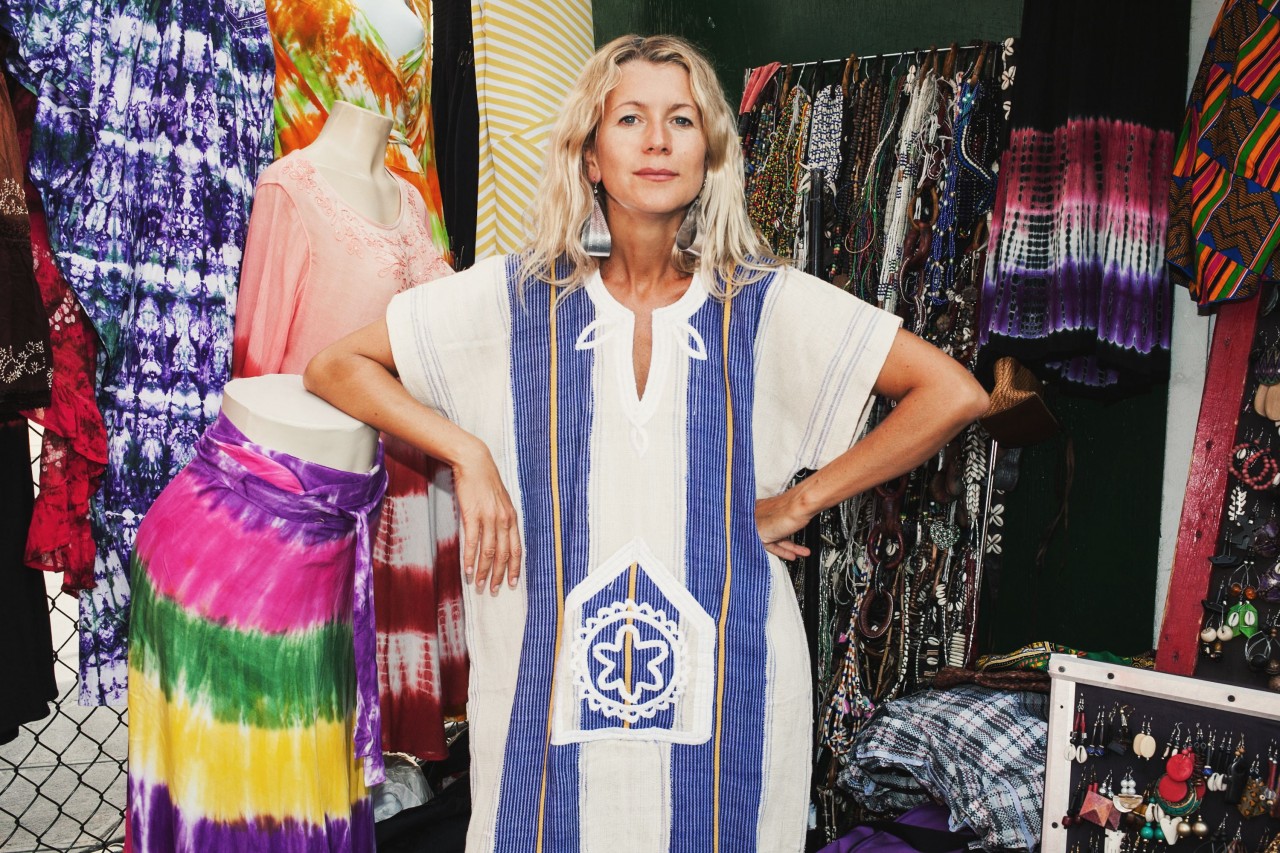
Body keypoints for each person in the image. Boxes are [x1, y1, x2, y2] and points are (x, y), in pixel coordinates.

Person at [305, 33, 988, 853]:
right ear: (591, 155)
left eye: (682, 120)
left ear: (710, 154)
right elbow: (335, 366)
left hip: (728, 709)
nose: (657, 140)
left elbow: (954, 392)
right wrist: (467, 453)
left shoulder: (764, 304)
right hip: (543, 724)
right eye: (629, 118)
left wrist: (801, 499)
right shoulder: (513, 299)